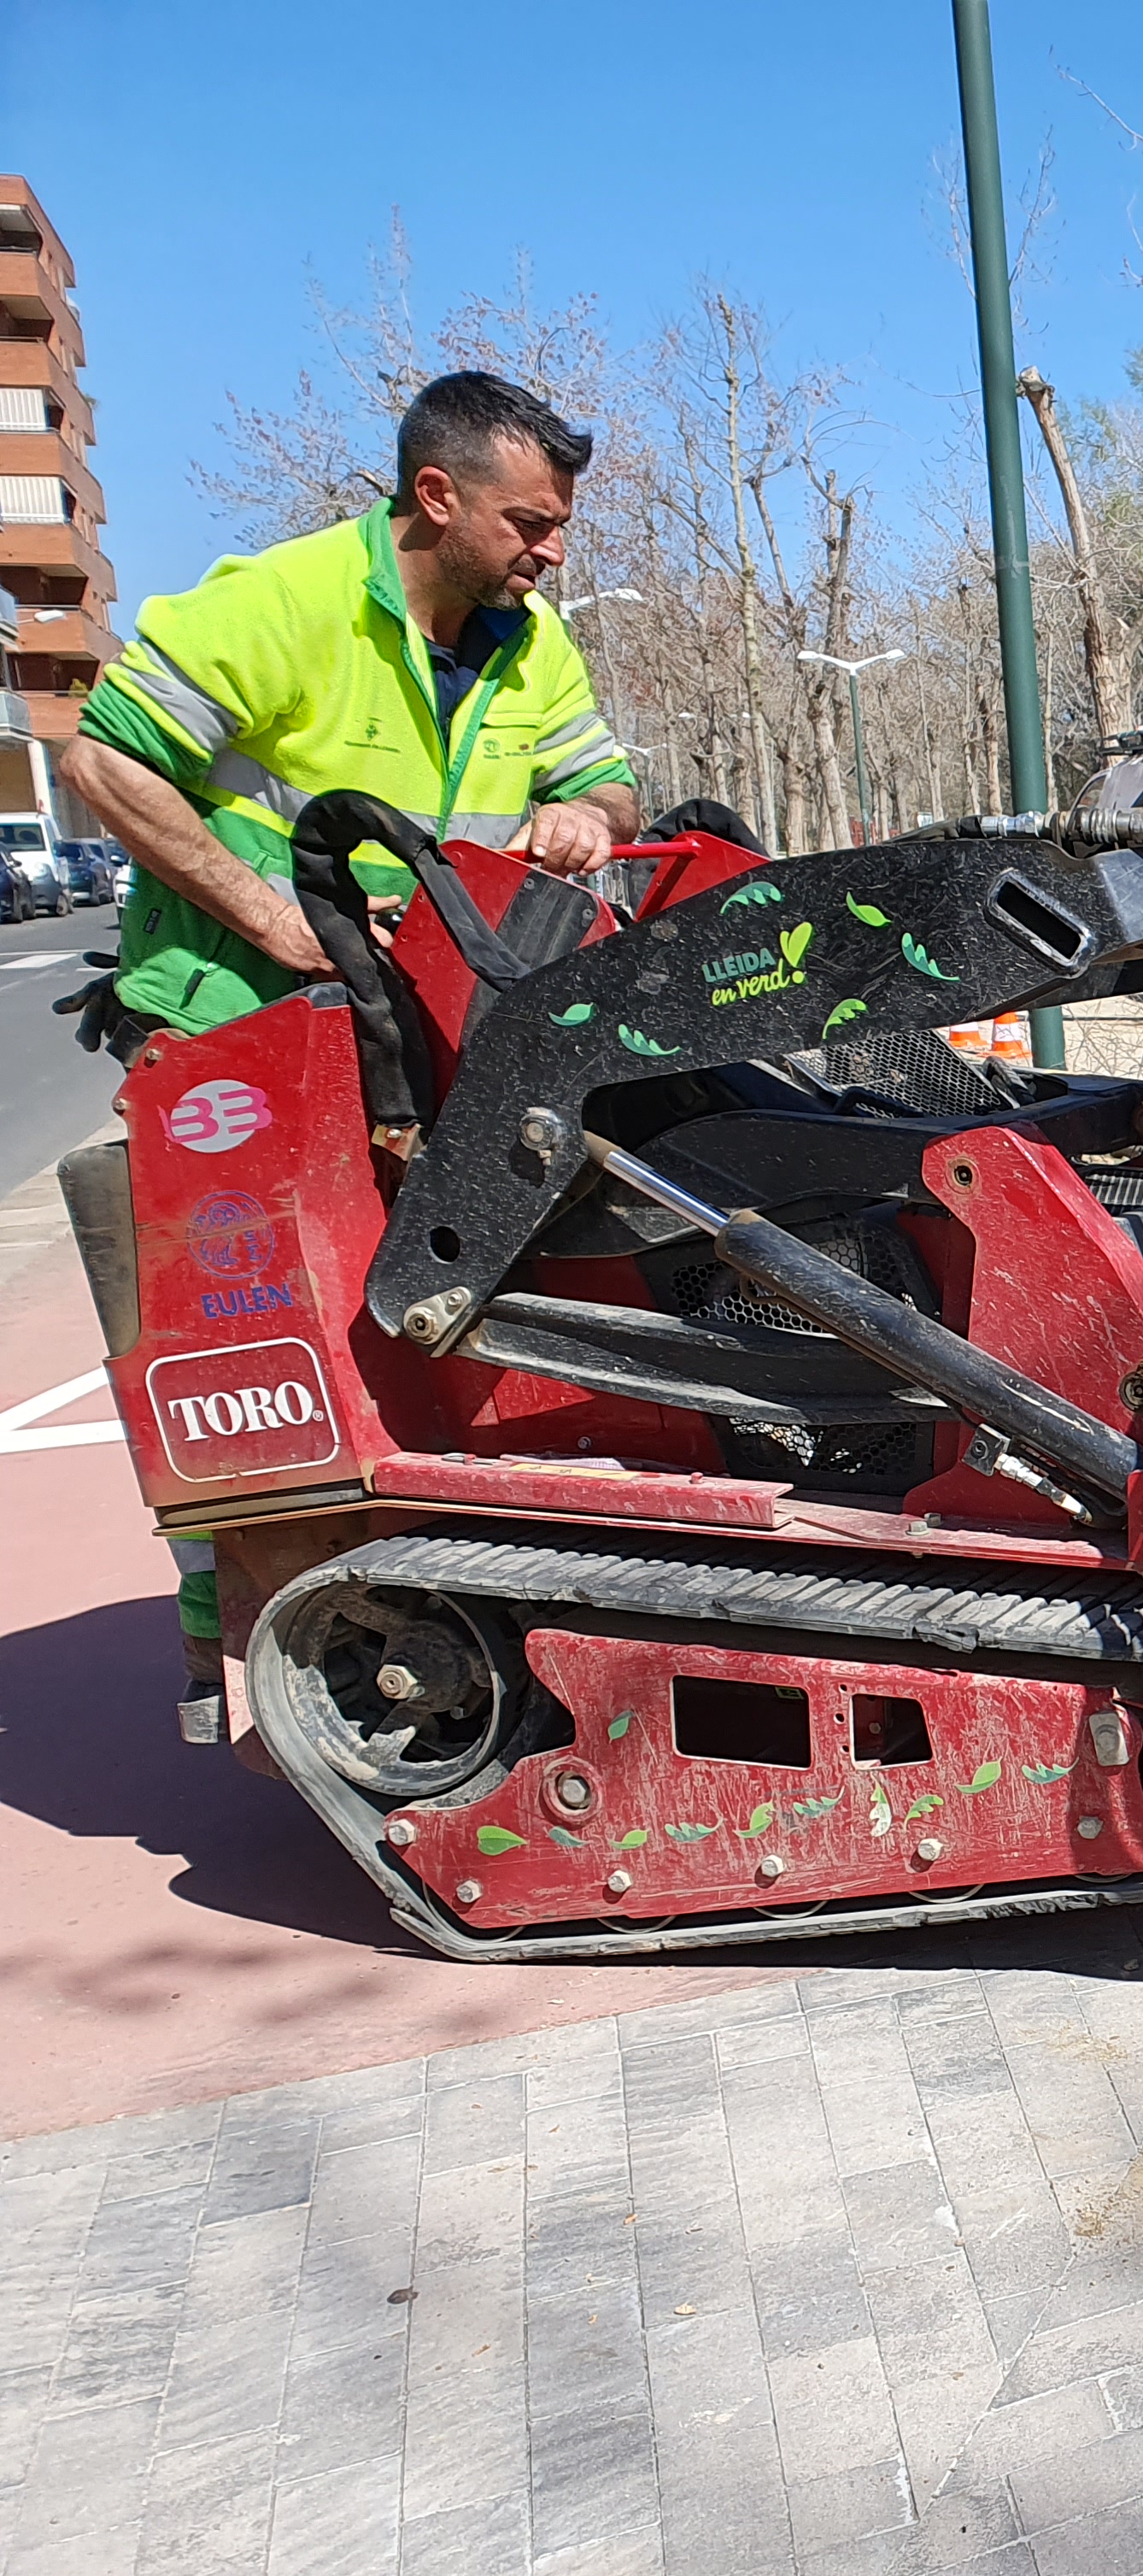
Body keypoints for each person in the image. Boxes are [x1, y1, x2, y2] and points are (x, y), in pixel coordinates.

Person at [59, 371, 642, 1740]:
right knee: (248, 1347)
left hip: (419, 1032)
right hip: (232, 1031)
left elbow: (600, 777)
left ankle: (432, 1585)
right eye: (530, 520)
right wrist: (282, 918)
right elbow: (106, 761)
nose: (551, 549)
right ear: (436, 498)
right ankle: (238, 1656)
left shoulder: (526, 640)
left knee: (420, 1312)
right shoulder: (286, 605)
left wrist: (590, 818)